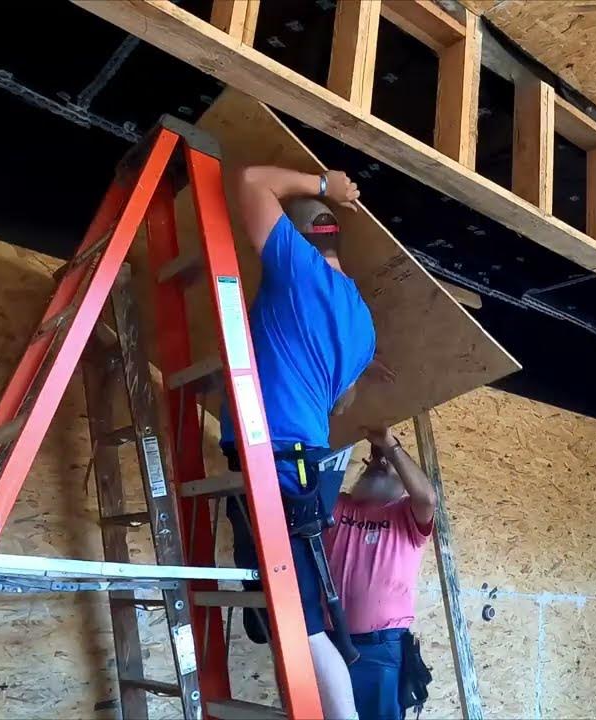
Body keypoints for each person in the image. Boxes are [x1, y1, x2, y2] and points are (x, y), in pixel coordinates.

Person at [220, 164, 374, 719]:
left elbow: (250, 182)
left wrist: (327, 185)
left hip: (275, 459)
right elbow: (344, 401)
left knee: (303, 624)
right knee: (284, 612)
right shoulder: (361, 318)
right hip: (302, 461)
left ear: (301, 239)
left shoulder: (298, 270)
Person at [327, 426, 437, 720]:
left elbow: (427, 497)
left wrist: (389, 446)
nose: (379, 464)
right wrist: (350, 428)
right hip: (331, 644)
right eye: (373, 462)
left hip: (380, 650)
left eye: (387, 465)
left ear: (403, 480)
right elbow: (312, 480)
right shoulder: (339, 506)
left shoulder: (407, 516)